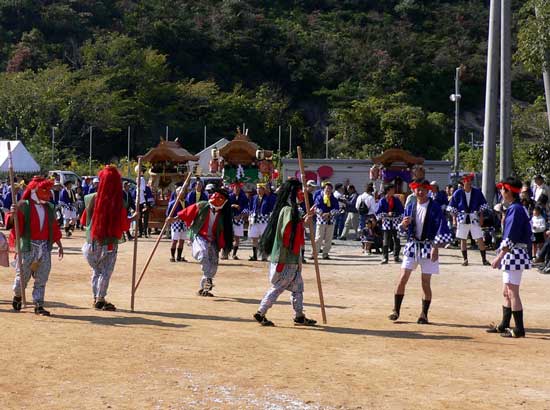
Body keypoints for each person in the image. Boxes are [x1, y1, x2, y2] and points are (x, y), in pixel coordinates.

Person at [253, 179, 317, 327]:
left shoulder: (288, 209)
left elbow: (294, 226)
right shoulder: (288, 210)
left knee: (298, 288)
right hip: (285, 257)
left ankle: (299, 315)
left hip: (291, 258)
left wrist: (304, 220)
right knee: (278, 287)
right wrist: (302, 224)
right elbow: (287, 232)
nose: (302, 194)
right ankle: (261, 312)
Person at [388, 179, 452, 324]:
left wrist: (436, 248)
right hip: (412, 244)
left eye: (423, 189)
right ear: (414, 190)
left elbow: (441, 228)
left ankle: (424, 313)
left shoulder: (434, 207)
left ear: (428, 190)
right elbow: (402, 231)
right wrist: (403, 226)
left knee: (425, 281)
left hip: (429, 246)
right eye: (417, 189)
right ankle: (396, 310)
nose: (420, 191)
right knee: (402, 277)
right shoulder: (410, 206)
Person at [7, 176, 64, 315]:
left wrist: (59, 243)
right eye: (44, 190)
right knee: (23, 276)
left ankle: (38, 304)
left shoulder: (49, 207)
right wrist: (13, 213)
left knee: (42, 275)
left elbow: (53, 226)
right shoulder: (23, 206)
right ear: (34, 191)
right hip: (28, 245)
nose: (47, 193)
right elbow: (14, 224)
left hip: (44, 246)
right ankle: (18, 295)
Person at [81, 166, 134, 311]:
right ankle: (100, 298)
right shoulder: (119, 201)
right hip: (109, 243)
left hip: (92, 242)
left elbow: (84, 221)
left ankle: (96, 297)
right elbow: (123, 225)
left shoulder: (90, 198)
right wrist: (134, 218)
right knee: (105, 272)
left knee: (97, 271)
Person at [487, 177, 531, 338]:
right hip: (513, 253)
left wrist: (499, 257)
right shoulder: (515, 208)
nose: (500, 192)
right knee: (507, 291)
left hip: (514, 253)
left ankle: (519, 329)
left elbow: (511, 236)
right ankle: (504, 324)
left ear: (508, 191)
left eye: (502, 189)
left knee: (512, 292)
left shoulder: (516, 209)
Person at [172, 188, 233, 296]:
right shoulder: (202, 205)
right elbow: (187, 212)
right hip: (200, 235)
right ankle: (208, 280)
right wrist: (173, 219)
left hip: (213, 239)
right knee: (203, 254)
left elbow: (225, 232)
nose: (216, 198)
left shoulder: (224, 214)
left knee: (214, 263)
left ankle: (204, 288)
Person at [447, 173, 490, 266]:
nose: (468, 183)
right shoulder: (457, 193)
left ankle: (484, 259)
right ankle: (465, 259)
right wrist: (454, 219)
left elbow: (482, 206)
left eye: (470, 181)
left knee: (479, 238)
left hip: (474, 216)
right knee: (463, 239)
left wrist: (481, 217)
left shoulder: (477, 192)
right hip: (462, 217)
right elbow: (452, 207)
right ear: (463, 182)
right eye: (466, 181)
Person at [375, 182, 404, 264]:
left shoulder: (396, 200)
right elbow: (377, 213)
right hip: (386, 223)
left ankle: (396, 256)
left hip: (396, 222)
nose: (394, 191)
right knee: (386, 241)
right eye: (392, 189)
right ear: (388, 191)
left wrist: (396, 214)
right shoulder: (382, 200)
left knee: (397, 240)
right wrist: (387, 214)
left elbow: (401, 211)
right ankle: (385, 257)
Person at [248, 183, 276, 261]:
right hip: (254, 219)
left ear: (264, 190)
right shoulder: (254, 198)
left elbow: (272, 209)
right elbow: (250, 208)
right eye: (257, 188)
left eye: (260, 188)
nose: (258, 190)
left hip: (264, 220)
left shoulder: (269, 198)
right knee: (254, 238)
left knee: (264, 238)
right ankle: (254, 255)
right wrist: (249, 217)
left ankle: (264, 255)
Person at [313, 181, 339, 260]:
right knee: (318, 237)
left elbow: (337, 208)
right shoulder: (319, 197)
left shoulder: (333, 199)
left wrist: (329, 214)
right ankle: (315, 253)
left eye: (330, 189)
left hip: (331, 220)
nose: (328, 190)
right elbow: (316, 207)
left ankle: (325, 253)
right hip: (321, 220)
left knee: (329, 238)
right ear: (323, 189)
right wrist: (322, 214)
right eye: (327, 188)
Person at [166, 185, 187, 262]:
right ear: (177, 193)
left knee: (182, 240)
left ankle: (179, 256)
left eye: (183, 192)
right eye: (180, 192)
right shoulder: (172, 203)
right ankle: (172, 256)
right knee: (175, 240)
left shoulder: (186, 202)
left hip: (184, 223)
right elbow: (168, 214)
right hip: (176, 223)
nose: (182, 194)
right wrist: (172, 219)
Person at [229, 181, 249, 260]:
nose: (237, 189)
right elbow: (226, 206)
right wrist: (233, 205)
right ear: (233, 188)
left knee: (237, 238)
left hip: (239, 219)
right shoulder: (230, 196)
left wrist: (241, 215)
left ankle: (234, 254)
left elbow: (246, 208)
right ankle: (225, 252)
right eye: (235, 188)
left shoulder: (243, 197)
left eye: (238, 188)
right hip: (230, 218)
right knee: (228, 237)